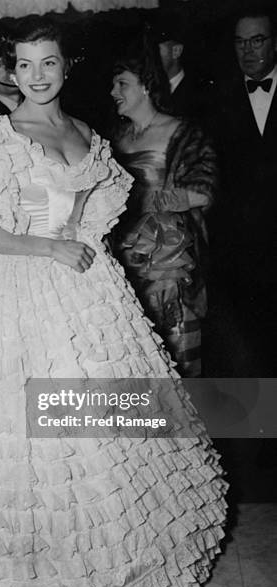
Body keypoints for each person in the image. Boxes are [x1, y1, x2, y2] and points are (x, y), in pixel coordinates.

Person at [0, 16, 226, 587]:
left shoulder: (89, 132)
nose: (35, 76)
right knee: (17, 440)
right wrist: (49, 247)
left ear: (67, 67)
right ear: (13, 70)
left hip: (89, 295)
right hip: (15, 290)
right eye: (24, 65)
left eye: (48, 63)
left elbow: (99, 215)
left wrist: (87, 254)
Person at [109, 39, 217, 377]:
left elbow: (205, 191)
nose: (113, 91)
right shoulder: (115, 138)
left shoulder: (182, 132)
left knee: (180, 357)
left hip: (171, 261)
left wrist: (152, 199)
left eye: (121, 83)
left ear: (144, 85)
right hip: (127, 259)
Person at [210, 4, 277, 375]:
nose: (249, 51)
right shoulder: (215, 99)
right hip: (237, 256)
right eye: (240, 43)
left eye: (258, 40)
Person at [153, 16, 212, 121]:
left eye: (157, 50)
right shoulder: (150, 92)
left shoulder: (202, 95)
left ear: (176, 51)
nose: (152, 56)